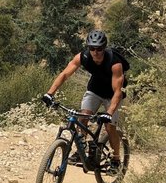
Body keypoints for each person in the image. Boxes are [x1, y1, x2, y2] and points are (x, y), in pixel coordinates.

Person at [41, 29, 125, 169]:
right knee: (83, 116)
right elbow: (64, 74)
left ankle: (116, 159)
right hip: (95, 90)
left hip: (112, 94)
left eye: (99, 48)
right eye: (92, 48)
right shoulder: (82, 57)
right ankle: (81, 150)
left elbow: (117, 91)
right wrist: (50, 93)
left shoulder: (114, 63)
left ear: (104, 48)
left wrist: (109, 112)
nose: (95, 52)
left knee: (110, 128)